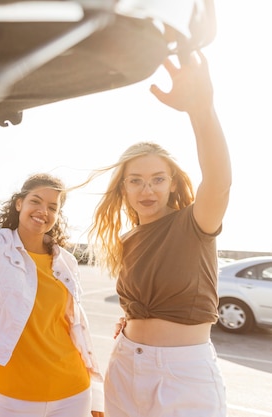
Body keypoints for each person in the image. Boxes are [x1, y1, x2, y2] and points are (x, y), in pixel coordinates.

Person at [88, 50, 231, 417]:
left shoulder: (194, 223)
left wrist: (201, 110)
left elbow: (218, 181)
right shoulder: (127, 239)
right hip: (125, 364)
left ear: (171, 185)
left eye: (157, 180)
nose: (146, 190)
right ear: (123, 189)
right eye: (135, 181)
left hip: (184, 375)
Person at [0, 121, 104, 417]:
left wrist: (96, 395)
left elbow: (76, 328)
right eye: (35, 201)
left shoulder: (65, 261)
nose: (43, 211)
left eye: (53, 206)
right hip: (15, 395)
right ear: (19, 204)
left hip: (72, 389)